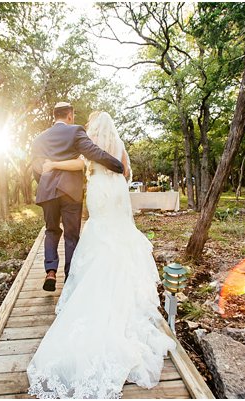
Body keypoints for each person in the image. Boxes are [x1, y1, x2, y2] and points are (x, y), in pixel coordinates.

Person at [27, 111, 175, 399]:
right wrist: (117, 167)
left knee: (60, 231)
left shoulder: (72, 141)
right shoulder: (112, 144)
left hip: (79, 191)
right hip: (114, 192)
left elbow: (79, 162)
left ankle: (55, 271)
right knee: (89, 234)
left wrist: (50, 168)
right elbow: (125, 170)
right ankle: (72, 273)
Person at [31, 102, 124, 291]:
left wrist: (44, 182)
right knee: (71, 236)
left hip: (47, 190)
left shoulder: (39, 139)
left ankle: (50, 271)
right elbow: (93, 152)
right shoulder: (75, 131)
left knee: (51, 230)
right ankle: (69, 278)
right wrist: (116, 165)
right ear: (70, 115)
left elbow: (35, 167)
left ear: (54, 115)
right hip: (70, 191)